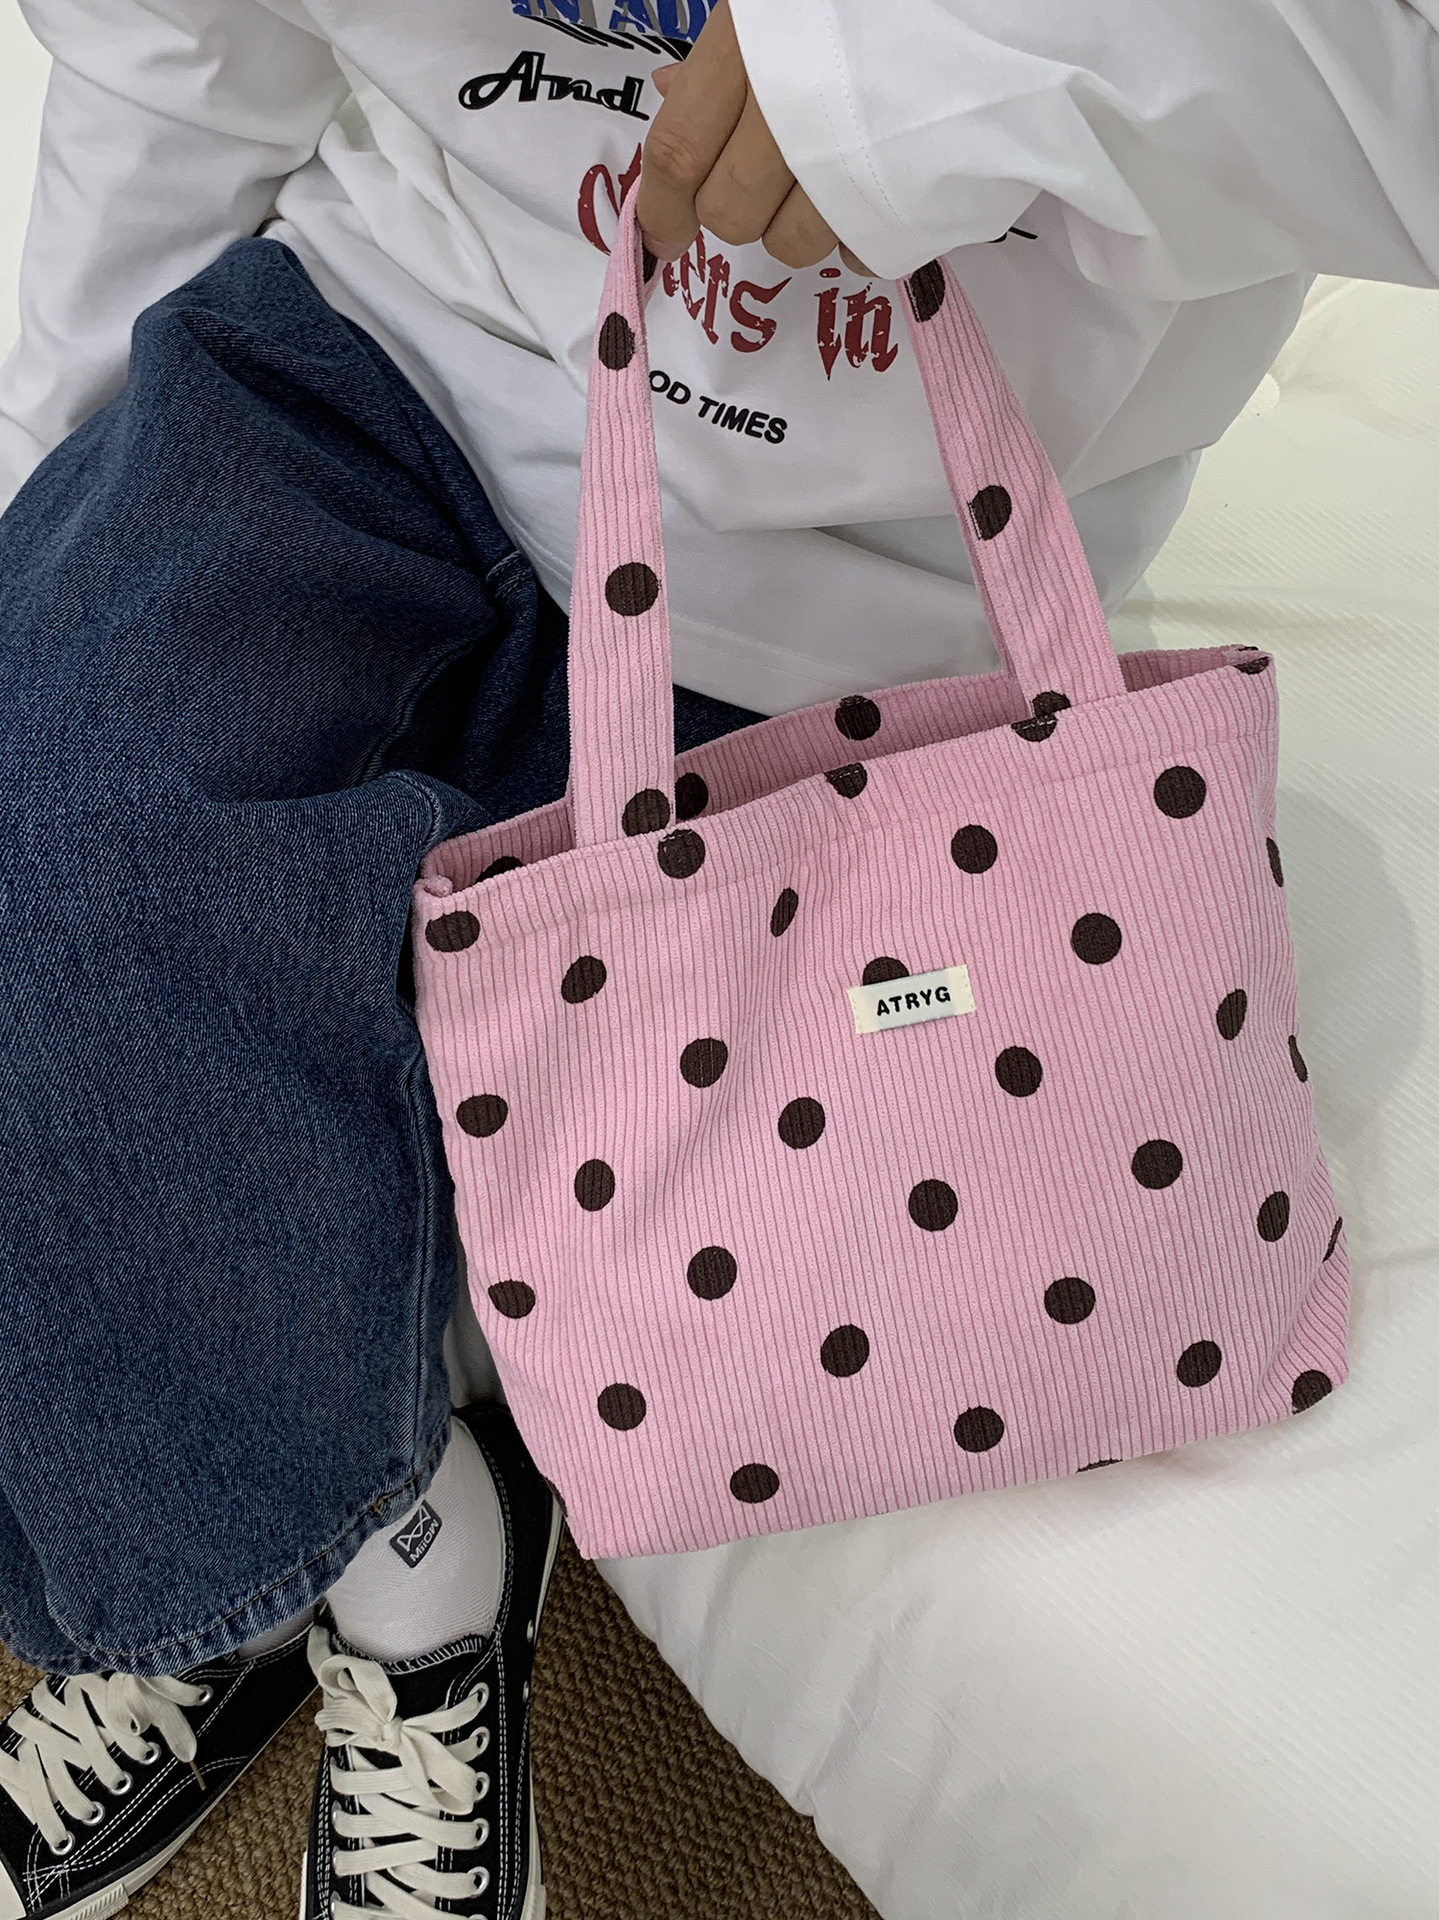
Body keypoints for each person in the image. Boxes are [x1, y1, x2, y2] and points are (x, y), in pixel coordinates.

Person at [2, 1, 1438, 1914]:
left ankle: (294, 1552)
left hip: (856, 577)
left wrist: (939, 56)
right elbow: (178, 41)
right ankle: (381, 1574)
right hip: (365, 353)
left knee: (540, 1085)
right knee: (49, 857)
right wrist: (53, 523)